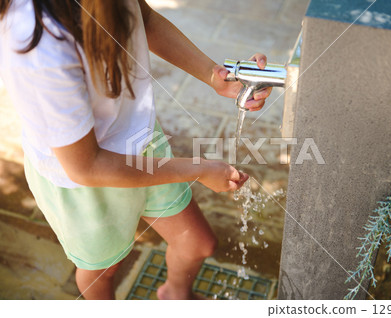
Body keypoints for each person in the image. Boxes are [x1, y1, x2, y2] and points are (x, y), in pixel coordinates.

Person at [0, 0, 273, 300]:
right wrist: (200, 169)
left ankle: (175, 295)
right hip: (82, 182)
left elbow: (144, 18)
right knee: (105, 269)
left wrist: (214, 76)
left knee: (197, 244)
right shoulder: (38, 46)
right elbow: (86, 167)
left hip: (141, 141)